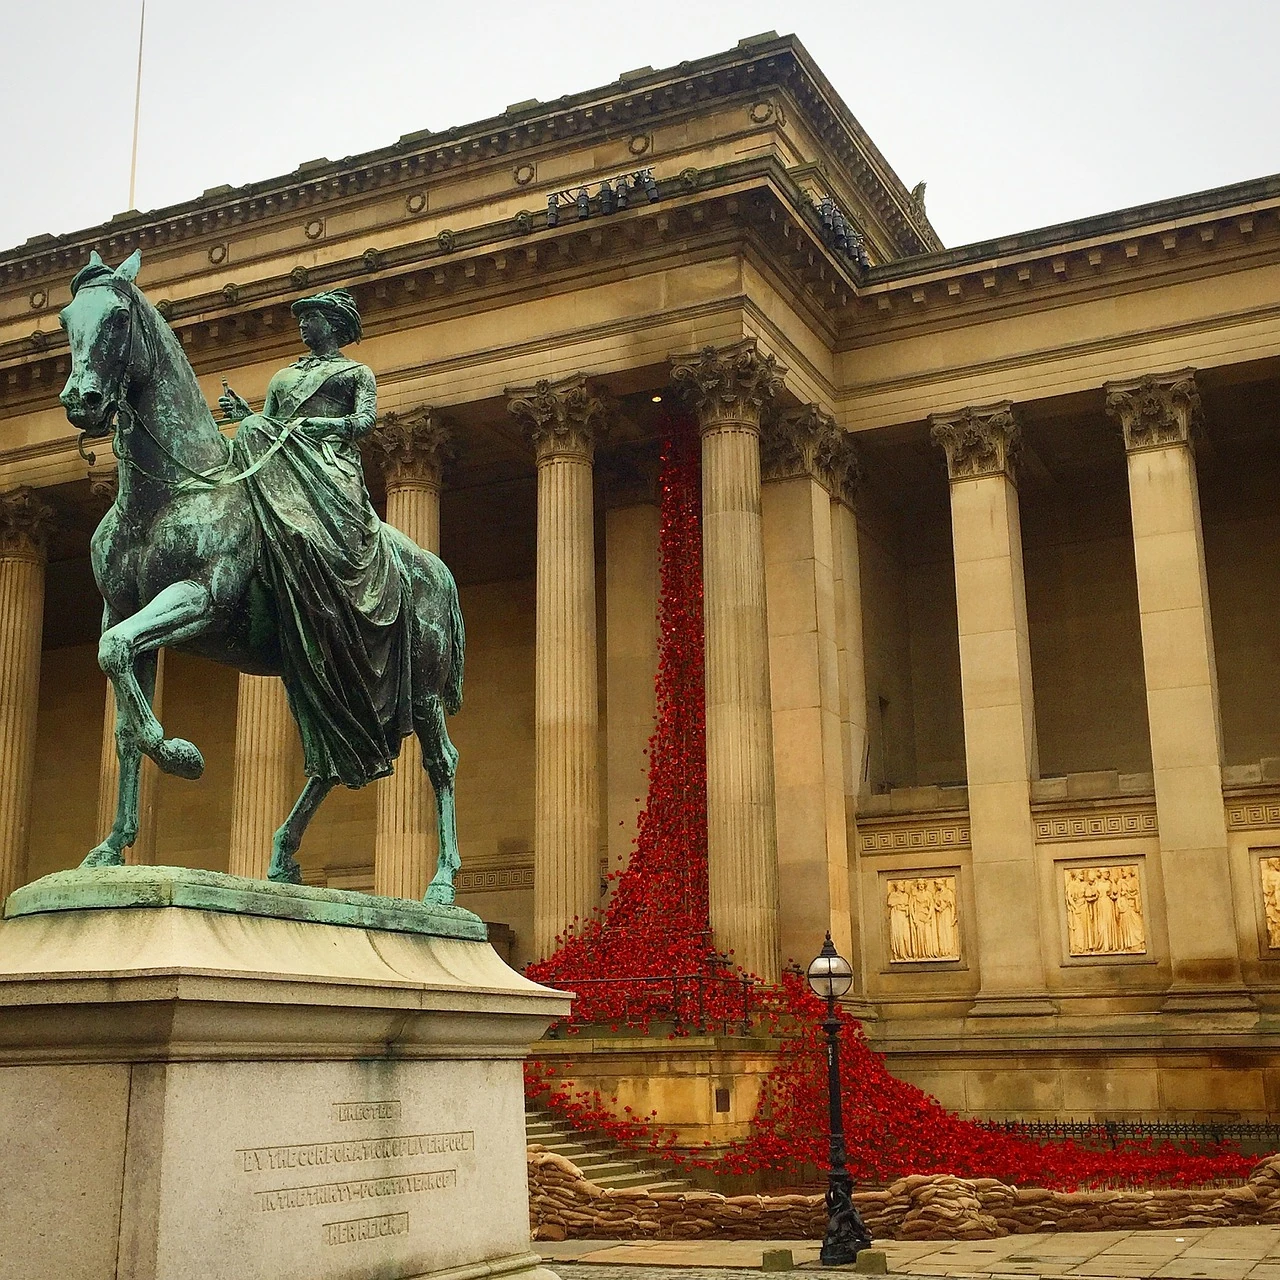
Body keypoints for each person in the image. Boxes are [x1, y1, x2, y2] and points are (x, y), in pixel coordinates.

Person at [219, 289, 413, 789]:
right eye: (302, 320)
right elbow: (272, 425)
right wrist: (249, 416)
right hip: (288, 463)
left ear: (334, 324)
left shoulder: (354, 374)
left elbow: (364, 422)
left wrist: (318, 425)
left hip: (330, 464)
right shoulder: (283, 376)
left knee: (311, 537)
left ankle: (332, 590)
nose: (304, 327)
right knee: (245, 443)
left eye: (313, 319)